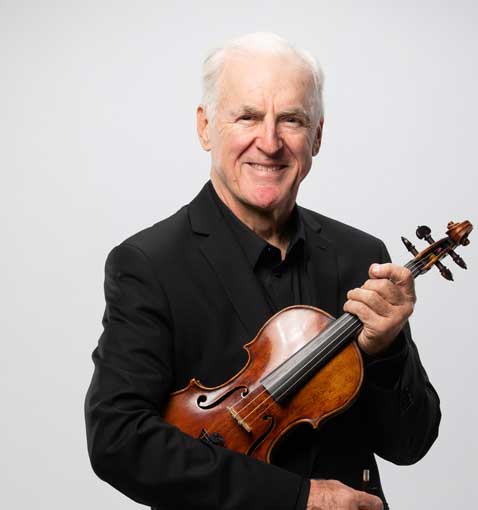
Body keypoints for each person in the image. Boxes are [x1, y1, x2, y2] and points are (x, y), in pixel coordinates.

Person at [85, 32, 441, 510]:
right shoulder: (149, 264)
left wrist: (385, 351)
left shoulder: (361, 256)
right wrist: (298, 498)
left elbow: (411, 443)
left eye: (291, 119)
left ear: (317, 135)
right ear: (206, 127)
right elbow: (118, 440)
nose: (269, 143)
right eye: (247, 117)